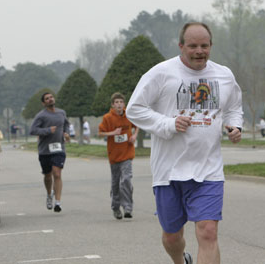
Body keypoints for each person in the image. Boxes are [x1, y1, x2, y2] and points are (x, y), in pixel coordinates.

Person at [126, 22, 243, 264]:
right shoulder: (161, 73)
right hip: (169, 171)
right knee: (171, 236)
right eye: (192, 46)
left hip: (208, 169)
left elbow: (233, 107)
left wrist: (234, 126)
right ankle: (180, 261)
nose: (199, 51)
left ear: (211, 46)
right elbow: (134, 109)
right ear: (181, 46)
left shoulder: (224, 75)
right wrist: (168, 124)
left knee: (208, 232)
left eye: (204, 46)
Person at [99, 92, 139, 220]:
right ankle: (116, 207)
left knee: (126, 179)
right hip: (114, 156)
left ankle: (128, 207)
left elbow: (137, 125)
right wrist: (112, 133)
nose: (119, 105)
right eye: (116, 102)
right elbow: (100, 133)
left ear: (124, 104)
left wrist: (134, 135)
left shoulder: (129, 115)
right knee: (115, 183)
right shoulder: (107, 118)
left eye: (121, 102)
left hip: (127, 153)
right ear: (112, 105)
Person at [30, 93, 70, 213]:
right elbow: (33, 130)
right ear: (43, 103)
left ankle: (58, 202)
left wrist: (66, 133)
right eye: (47, 99)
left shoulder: (61, 113)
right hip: (45, 151)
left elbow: (66, 124)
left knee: (57, 174)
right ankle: (49, 194)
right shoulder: (41, 116)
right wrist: (47, 130)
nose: (50, 99)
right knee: (48, 176)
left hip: (59, 148)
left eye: (51, 97)